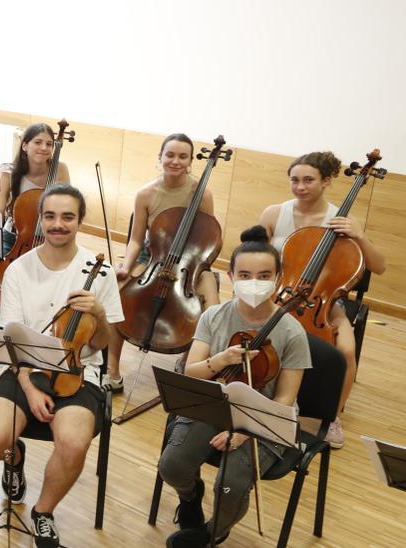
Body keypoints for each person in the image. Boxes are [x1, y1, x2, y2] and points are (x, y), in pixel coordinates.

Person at [0, 185, 123, 548]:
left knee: (73, 443)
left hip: (78, 372)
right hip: (21, 369)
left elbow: (101, 343)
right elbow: (11, 341)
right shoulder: (18, 270)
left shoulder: (98, 273)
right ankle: (16, 456)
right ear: (41, 219)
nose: (58, 224)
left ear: (80, 221)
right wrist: (28, 387)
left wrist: (100, 314)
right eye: (51, 216)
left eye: (67, 217)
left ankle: (43, 511)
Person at [158, 225, 310, 547]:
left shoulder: (291, 332)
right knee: (172, 466)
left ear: (278, 278)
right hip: (214, 405)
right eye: (244, 275)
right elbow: (193, 372)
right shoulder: (214, 316)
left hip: (264, 421)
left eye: (264, 275)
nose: (254, 283)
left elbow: (284, 400)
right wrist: (222, 359)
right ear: (230, 277)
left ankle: (214, 531)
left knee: (230, 485)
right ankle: (190, 497)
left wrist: (244, 431)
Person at [259, 151, 387, 448]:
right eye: (295, 180)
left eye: (308, 180)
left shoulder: (340, 220)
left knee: (344, 350)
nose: (300, 187)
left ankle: (331, 418)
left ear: (326, 180)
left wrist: (359, 236)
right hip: (278, 294)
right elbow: (253, 254)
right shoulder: (274, 214)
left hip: (324, 301)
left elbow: (378, 267)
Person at [106, 133, 221, 390]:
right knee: (117, 298)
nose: (175, 161)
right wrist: (126, 266)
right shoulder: (146, 194)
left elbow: (208, 237)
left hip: (191, 261)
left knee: (212, 311)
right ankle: (112, 371)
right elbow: (136, 240)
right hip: (153, 256)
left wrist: (201, 267)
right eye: (170, 155)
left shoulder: (202, 194)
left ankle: (190, 363)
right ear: (160, 158)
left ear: (191, 161)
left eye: (183, 156)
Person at [0, 123, 72, 257]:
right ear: (25, 146)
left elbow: (69, 207)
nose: (44, 148)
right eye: (38, 142)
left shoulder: (60, 169)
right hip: (13, 238)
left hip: (49, 239)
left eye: (49, 144)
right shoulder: (8, 173)